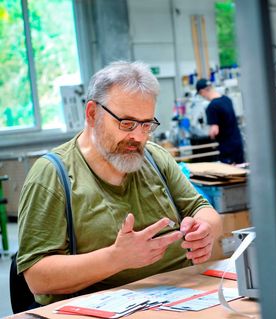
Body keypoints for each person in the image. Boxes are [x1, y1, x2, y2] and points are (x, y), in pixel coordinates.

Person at [17, 61, 222, 306]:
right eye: (126, 124)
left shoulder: (155, 158)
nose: (137, 137)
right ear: (92, 114)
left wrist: (206, 229)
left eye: (146, 125)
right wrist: (117, 258)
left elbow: (203, 210)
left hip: (183, 298)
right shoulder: (53, 175)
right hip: (101, 307)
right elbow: (37, 278)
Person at [196, 78, 244, 164]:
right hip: (238, 143)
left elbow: (215, 130)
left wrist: (210, 134)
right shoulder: (227, 99)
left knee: (230, 174)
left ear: (202, 91)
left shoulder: (212, 106)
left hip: (227, 148)